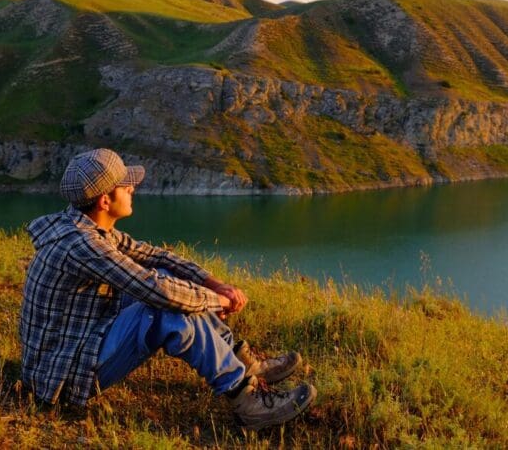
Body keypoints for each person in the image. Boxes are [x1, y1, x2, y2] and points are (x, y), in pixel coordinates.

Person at [19, 148, 317, 431]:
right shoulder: (82, 245)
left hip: (81, 341)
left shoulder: (87, 227)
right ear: (105, 202)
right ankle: (246, 400)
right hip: (62, 374)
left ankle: (237, 359)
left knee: (165, 275)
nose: (132, 189)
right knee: (165, 306)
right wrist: (214, 301)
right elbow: (157, 291)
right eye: (125, 186)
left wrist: (214, 283)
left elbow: (156, 257)